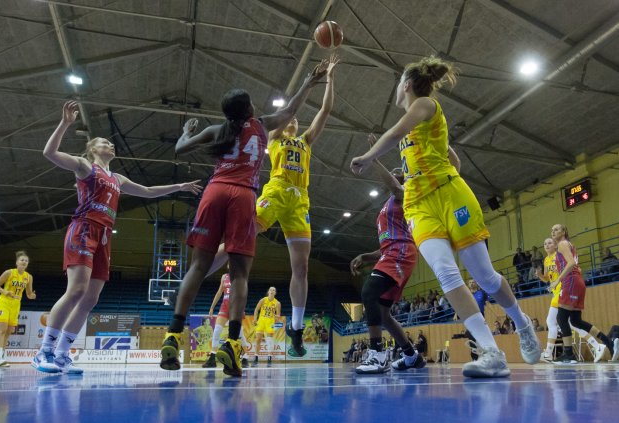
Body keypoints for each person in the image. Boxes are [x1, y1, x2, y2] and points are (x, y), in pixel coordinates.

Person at [349, 55, 540, 378]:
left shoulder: (425, 105)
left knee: (485, 278)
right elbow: (435, 150)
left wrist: (369, 156)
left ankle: (522, 324)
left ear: (406, 85)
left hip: (450, 197)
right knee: (446, 274)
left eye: (398, 83)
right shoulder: (416, 128)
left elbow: (412, 141)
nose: (396, 89)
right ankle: (492, 353)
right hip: (419, 207)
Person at [159, 62, 328, 377]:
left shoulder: (218, 130)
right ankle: (232, 345)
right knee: (239, 274)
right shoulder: (261, 126)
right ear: (249, 108)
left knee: (197, 266)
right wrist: (309, 81)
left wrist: (186, 131)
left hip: (215, 191)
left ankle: (172, 333)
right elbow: (291, 110)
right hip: (243, 196)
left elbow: (181, 148)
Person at [32, 101, 202, 375]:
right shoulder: (84, 167)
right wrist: (65, 123)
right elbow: (48, 152)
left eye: (111, 144)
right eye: (103, 143)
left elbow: (147, 191)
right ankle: (45, 351)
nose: (109, 145)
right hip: (84, 229)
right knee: (76, 290)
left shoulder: (118, 178)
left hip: (103, 236)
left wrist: (179, 186)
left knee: (91, 298)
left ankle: (63, 353)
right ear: (92, 149)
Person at [201, 55, 340, 359]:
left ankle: (297, 329)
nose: (294, 120)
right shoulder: (274, 138)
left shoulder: (305, 141)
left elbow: (326, 110)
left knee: (301, 266)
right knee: (241, 239)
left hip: (299, 200)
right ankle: (198, 274)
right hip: (275, 193)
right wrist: (306, 84)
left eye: (296, 120)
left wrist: (329, 78)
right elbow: (287, 110)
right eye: (290, 118)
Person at [350, 145, 422, 374]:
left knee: (369, 293)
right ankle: (411, 356)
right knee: (382, 313)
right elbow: (386, 243)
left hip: (401, 253)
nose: (395, 171)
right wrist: (366, 256)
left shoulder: (405, 193)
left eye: (399, 171)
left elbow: (394, 185)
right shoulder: (388, 205)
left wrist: (373, 159)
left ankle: (378, 355)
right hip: (392, 252)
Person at [550, 224, 614, 363]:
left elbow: (571, 262)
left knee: (561, 318)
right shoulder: (568, 245)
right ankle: (608, 341)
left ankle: (569, 354)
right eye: (552, 230)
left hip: (571, 282)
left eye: (556, 229)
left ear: (564, 231)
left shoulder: (562, 244)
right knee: (575, 321)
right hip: (577, 282)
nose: (553, 232)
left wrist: (557, 281)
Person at [0, 250, 36, 367]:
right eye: (22, 260)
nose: (24, 262)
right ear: (17, 262)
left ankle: (1, 358)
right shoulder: (9, 272)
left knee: (8, 332)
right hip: (4, 303)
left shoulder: (29, 277)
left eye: (26, 261)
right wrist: (5, 292)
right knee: (2, 330)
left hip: (16, 305)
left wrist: (32, 296)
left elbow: (28, 294)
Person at [203, 270, 248, 368]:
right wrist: (212, 307)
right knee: (216, 331)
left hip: (236, 307)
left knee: (240, 334)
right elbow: (220, 291)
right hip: (225, 306)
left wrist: (242, 308)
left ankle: (245, 357)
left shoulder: (241, 275)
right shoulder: (224, 276)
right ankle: (212, 359)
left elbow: (243, 294)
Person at [252, 287, 281, 366]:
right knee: (258, 340)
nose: (272, 291)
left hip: (270, 322)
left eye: (274, 290)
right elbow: (256, 309)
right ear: (268, 292)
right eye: (271, 290)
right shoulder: (263, 300)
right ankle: (256, 359)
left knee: (269, 341)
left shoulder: (277, 303)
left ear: (275, 293)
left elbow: (278, 316)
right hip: (261, 321)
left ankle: (269, 360)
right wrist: (255, 319)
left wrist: (276, 317)